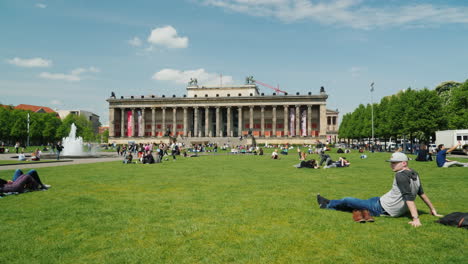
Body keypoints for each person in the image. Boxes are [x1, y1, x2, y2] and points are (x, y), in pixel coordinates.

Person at [317, 152, 442, 227]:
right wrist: (433, 210)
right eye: (391, 162)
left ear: (404, 163)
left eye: (394, 162)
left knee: (347, 200)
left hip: (381, 208)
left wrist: (416, 219)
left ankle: (328, 204)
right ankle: (329, 203)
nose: (391, 164)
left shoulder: (400, 175)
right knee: (356, 204)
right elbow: (422, 194)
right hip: (381, 201)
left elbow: (409, 198)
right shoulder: (414, 173)